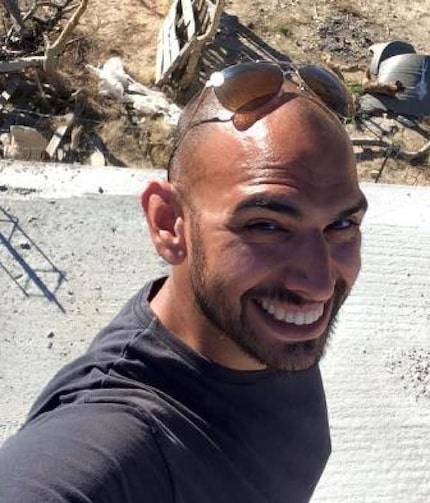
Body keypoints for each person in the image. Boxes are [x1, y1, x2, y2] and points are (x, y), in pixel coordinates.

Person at [0, 62, 367, 503]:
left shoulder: (263, 332)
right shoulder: (118, 442)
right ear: (169, 222)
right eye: (267, 226)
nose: (320, 283)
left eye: (342, 223)